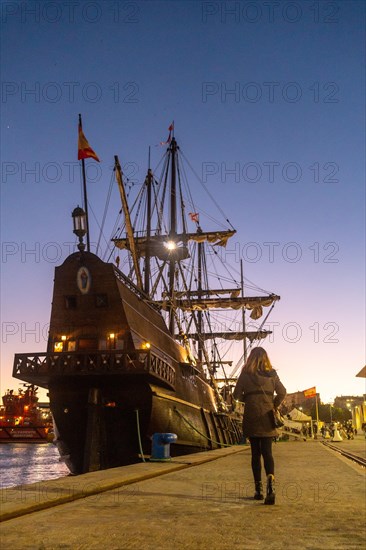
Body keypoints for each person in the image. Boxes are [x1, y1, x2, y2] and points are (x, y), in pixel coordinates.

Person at [233, 347, 286, 505]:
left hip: (251, 416)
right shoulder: (272, 375)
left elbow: (236, 395)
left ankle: (259, 490)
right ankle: (271, 481)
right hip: (267, 416)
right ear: (266, 358)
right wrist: (273, 404)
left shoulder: (245, 374)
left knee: (255, 454)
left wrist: (247, 397)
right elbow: (282, 392)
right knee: (267, 452)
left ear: (250, 358)